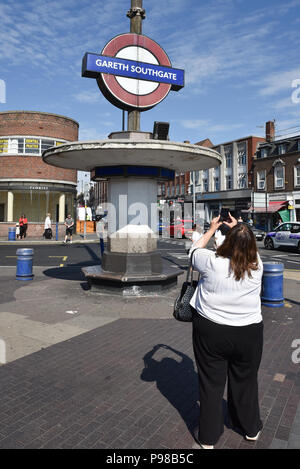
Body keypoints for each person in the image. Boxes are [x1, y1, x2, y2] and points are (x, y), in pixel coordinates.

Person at [190, 213, 264, 449]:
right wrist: (240, 228)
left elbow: (194, 251)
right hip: (249, 332)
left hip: (211, 331)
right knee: (246, 381)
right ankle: (250, 428)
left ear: (228, 242)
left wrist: (212, 230)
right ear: (252, 245)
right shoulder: (257, 266)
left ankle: (209, 438)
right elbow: (244, 251)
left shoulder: (211, 262)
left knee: (211, 384)